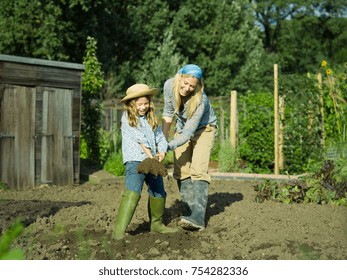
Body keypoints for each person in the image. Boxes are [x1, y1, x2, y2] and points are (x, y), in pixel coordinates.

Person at [112, 83, 178, 240]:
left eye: (145, 103)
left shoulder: (151, 119)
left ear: (150, 103)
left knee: (158, 191)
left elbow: (160, 137)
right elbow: (139, 139)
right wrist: (151, 156)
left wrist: (161, 152)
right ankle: (119, 233)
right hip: (136, 160)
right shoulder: (127, 118)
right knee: (133, 192)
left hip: (152, 160)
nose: (143, 107)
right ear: (131, 104)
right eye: (139, 104)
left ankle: (156, 225)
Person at [162, 64, 217, 231]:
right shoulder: (169, 85)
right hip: (182, 127)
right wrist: (162, 143)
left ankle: (198, 218)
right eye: (185, 83)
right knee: (181, 170)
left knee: (198, 169)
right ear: (179, 76)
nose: (187, 89)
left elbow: (188, 133)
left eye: (192, 86)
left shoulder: (201, 99)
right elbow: (167, 114)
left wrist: (168, 146)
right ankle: (189, 212)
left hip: (203, 129)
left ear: (198, 85)